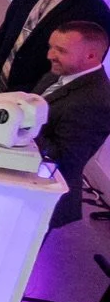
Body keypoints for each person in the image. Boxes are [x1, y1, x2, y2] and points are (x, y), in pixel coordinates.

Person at [35, 20, 110, 228]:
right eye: (51, 47)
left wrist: (25, 126)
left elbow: (66, 159)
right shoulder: (60, 72)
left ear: (91, 56)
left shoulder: (95, 102)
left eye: (60, 50)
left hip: (43, 199)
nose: (50, 55)